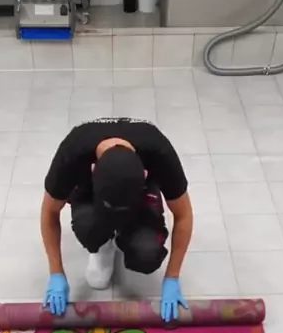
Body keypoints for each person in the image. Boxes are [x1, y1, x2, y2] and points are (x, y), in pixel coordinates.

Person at [40, 117, 194, 322]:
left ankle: (124, 235)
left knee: (147, 254)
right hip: (92, 195)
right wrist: (56, 273)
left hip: (137, 196)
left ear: (145, 174)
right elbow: (49, 212)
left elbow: (184, 215)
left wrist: (172, 278)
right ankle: (103, 244)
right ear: (92, 170)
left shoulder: (159, 153)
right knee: (87, 226)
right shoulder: (73, 153)